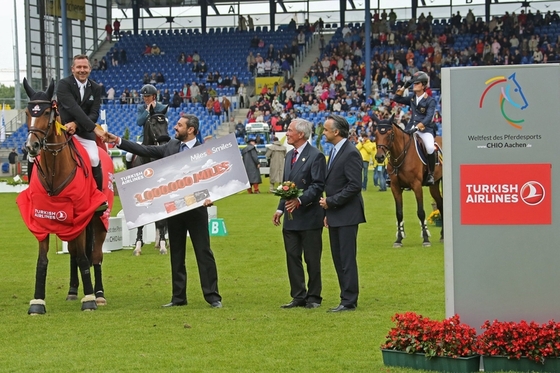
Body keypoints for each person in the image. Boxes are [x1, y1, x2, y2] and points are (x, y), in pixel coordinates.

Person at [104, 114, 222, 308]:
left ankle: (212, 296)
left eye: (179, 125)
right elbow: (144, 149)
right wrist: (118, 140)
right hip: (174, 209)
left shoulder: (205, 150)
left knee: (203, 251)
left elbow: (217, 178)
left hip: (196, 209)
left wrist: (213, 196)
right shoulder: (171, 147)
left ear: (191, 129)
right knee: (176, 253)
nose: (175, 128)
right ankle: (178, 298)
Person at [273, 120, 326, 309]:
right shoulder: (289, 156)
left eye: (289, 130)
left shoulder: (316, 156)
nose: (286, 133)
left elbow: (318, 186)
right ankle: (298, 296)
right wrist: (280, 208)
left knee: (312, 259)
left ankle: (314, 297)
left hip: (310, 216)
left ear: (301, 134)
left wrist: (300, 201)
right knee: (292, 256)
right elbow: (286, 185)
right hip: (291, 218)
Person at [319, 115, 365, 312]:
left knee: (346, 258)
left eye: (326, 129)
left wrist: (331, 202)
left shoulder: (350, 152)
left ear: (336, 132)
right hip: (337, 214)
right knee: (338, 258)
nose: (323, 132)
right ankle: (345, 296)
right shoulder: (337, 150)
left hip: (347, 214)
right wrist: (330, 211)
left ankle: (349, 300)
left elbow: (354, 185)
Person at [56, 54, 107, 211]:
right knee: (37, 154)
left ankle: (98, 198)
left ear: (90, 69)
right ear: (73, 69)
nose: (82, 70)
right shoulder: (63, 85)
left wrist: (78, 125)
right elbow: (73, 108)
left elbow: (94, 113)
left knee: (93, 158)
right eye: (79, 67)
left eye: (85, 67)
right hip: (63, 130)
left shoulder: (96, 88)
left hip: (83, 132)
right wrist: (93, 128)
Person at [392, 71, 437, 185]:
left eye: (416, 83)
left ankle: (431, 174)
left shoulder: (430, 100)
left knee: (430, 147)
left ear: (423, 85)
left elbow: (428, 117)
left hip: (424, 129)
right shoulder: (412, 98)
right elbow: (396, 98)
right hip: (410, 127)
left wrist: (417, 127)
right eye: (413, 83)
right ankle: (396, 172)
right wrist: (405, 86)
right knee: (398, 145)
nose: (414, 85)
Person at [131, 84, 169, 168]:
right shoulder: (141, 108)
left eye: (148, 96)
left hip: (160, 137)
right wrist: (147, 111)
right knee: (128, 155)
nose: (145, 98)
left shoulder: (162, 107)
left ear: (154, 96)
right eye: (144, 96)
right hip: (144, 137)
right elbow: (139, 122)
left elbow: (165, 122)